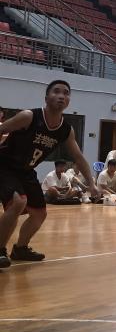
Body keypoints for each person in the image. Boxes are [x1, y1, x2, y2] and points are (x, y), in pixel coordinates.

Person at [0, 79, 98, 267]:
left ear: (68, 100)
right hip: (5, 165)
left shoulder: (66, 130)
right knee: (18, 201)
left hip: (26, 171)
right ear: (46, 98)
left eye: (66, 93)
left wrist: (92, 185)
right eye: (56, 91)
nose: (61, 96)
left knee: (39, 213)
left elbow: (78, 157)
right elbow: (2, 129)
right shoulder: (28, 116)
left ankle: (20, 249)